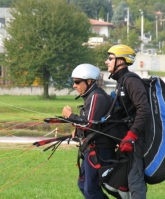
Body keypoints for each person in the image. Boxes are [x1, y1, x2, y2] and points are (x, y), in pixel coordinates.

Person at [62, 63, 116, 199]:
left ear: (89, 81)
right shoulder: (91, 97)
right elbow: (92, 123)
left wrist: (70, 116)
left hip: (99, 150)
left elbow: (88, 124)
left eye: (77, 82)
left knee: (91, 190)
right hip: (91, 149)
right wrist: (78, 132)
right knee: (83, 185)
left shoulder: (96, 97)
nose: (74, 85)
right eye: (74, 82)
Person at [105, 44, 150, 199]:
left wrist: (132, 135)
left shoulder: (131, 81)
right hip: (127, 137)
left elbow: (144, 109)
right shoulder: (121, 81)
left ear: (121, 61)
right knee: (122, 180)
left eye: (110, 58)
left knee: (134, 179)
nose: (107, 62)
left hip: (136, 139)